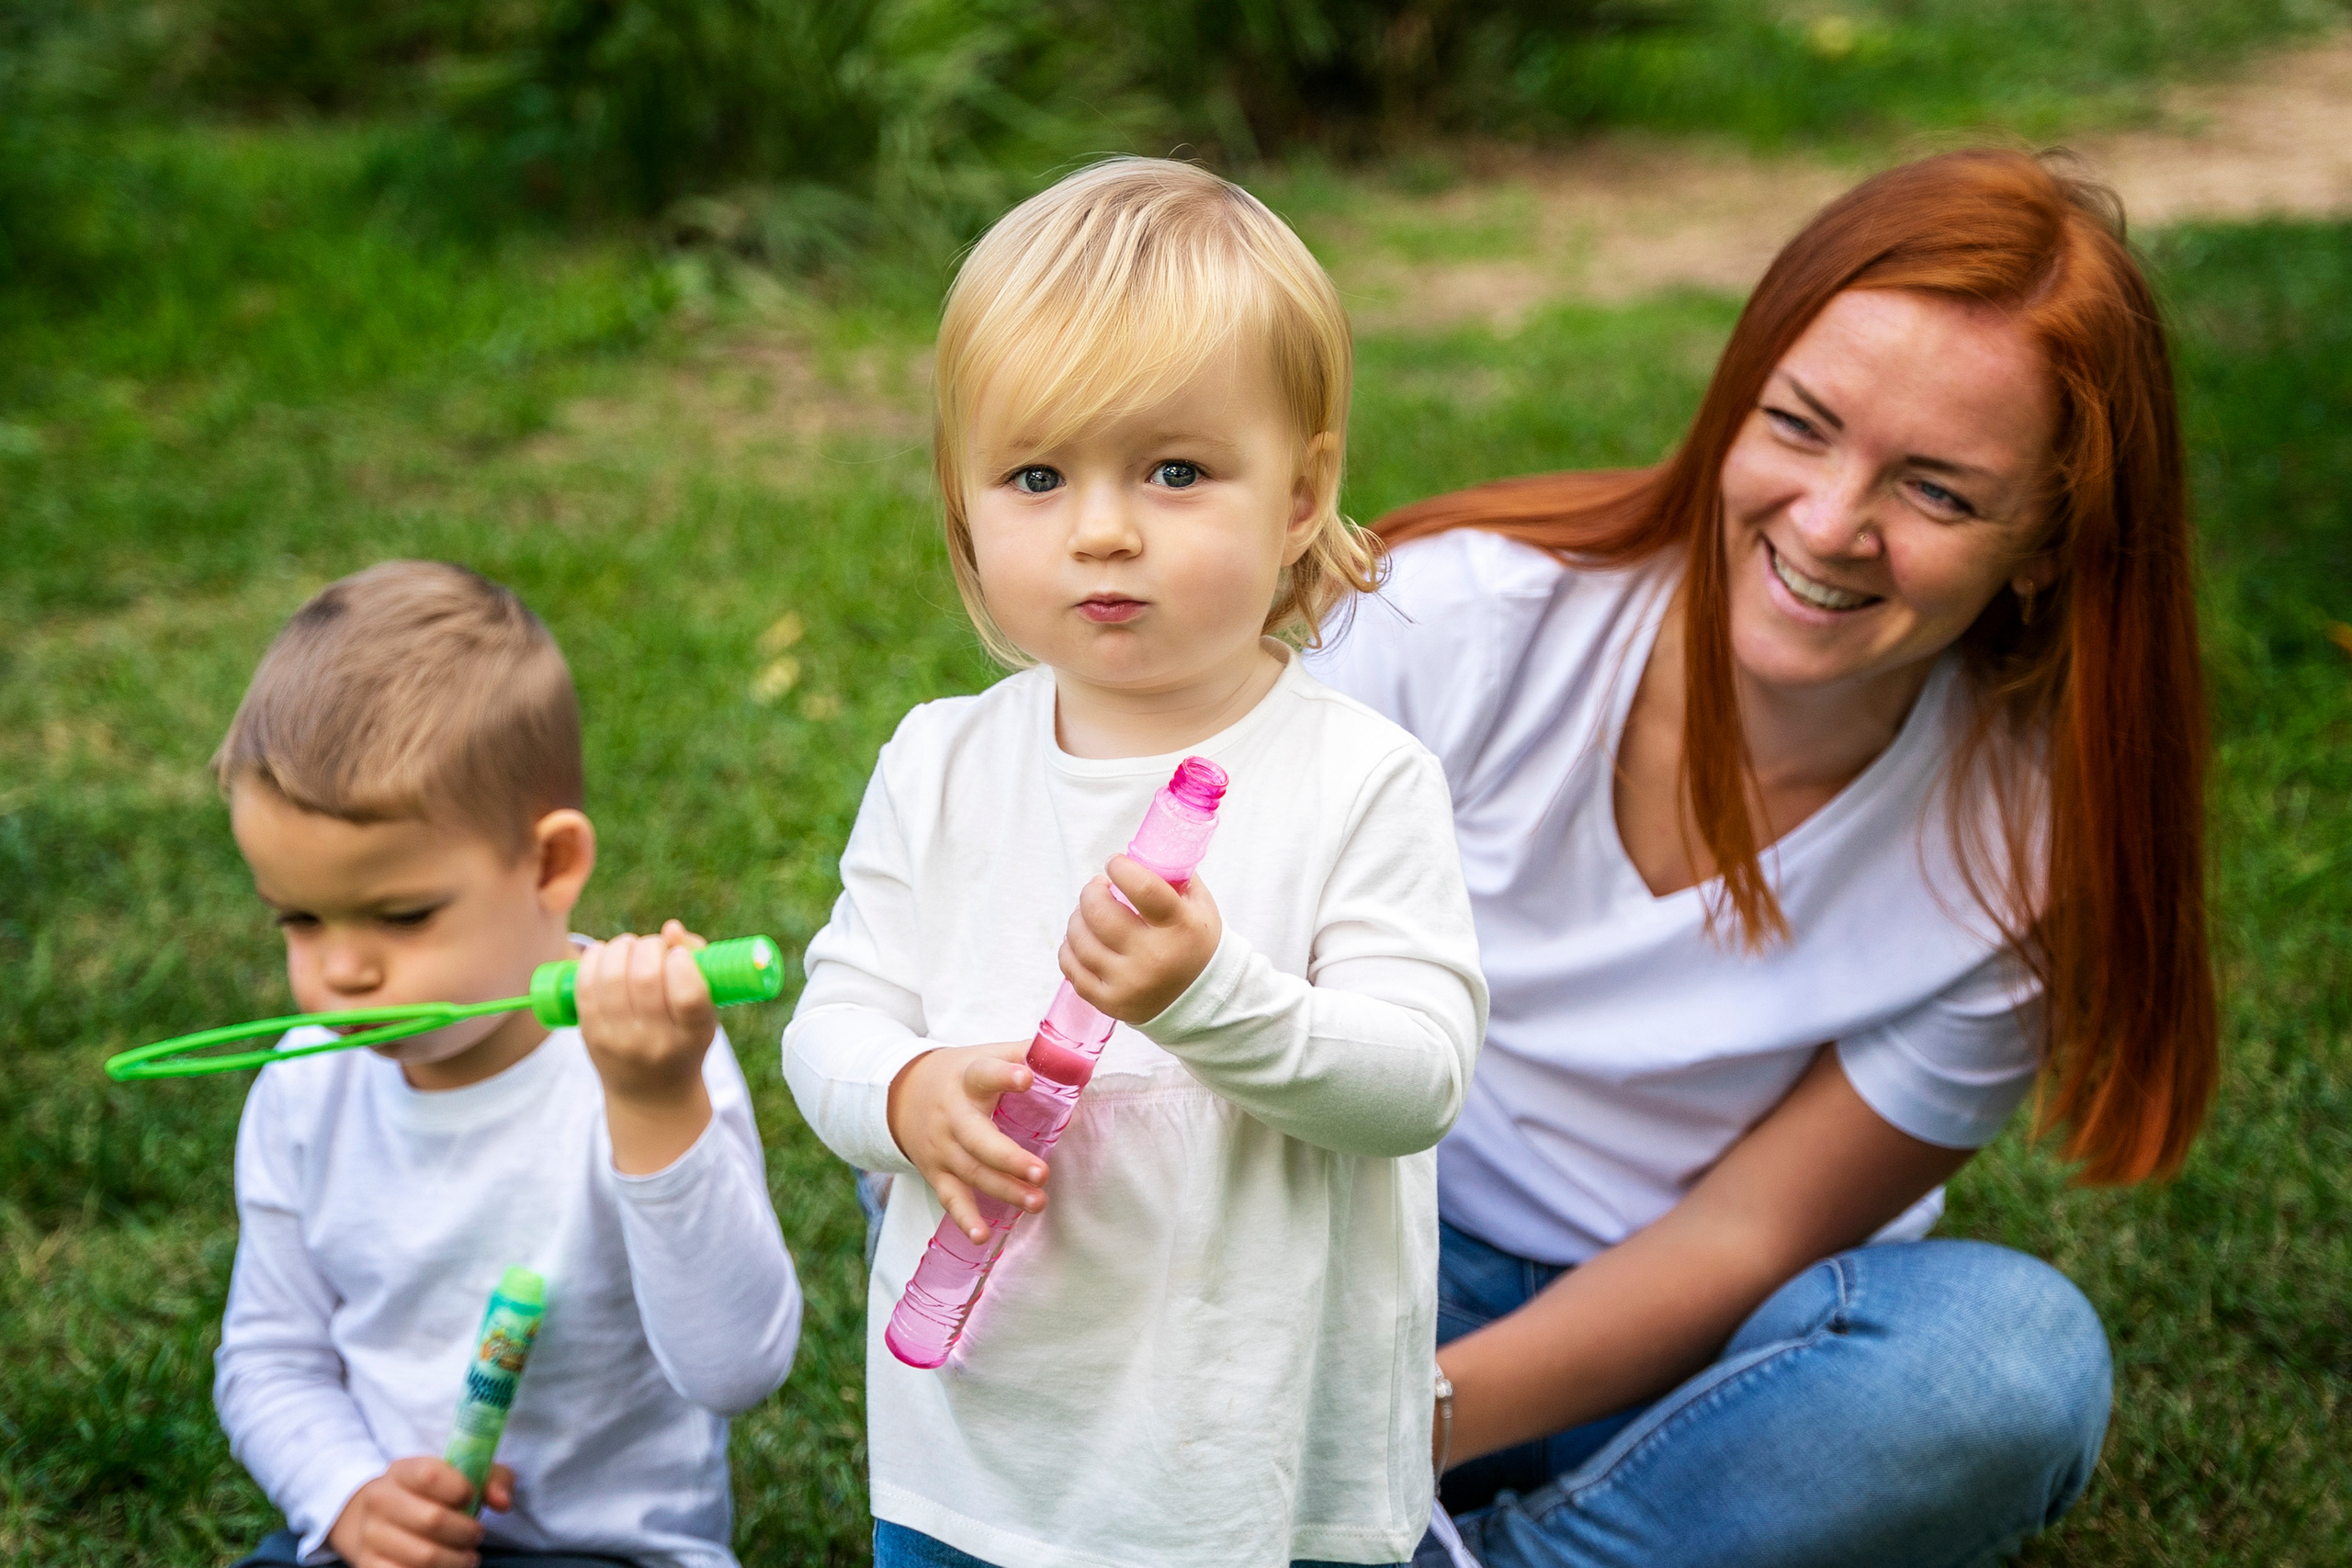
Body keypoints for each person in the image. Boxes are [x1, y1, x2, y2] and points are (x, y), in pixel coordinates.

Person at [1306, 149, 2217, 1568]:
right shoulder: (1462, 623)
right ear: (1737, 402)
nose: (1830, 523)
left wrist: (1392, 1427)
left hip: (1709, 1366)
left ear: (2043, 542)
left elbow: (1746, 1237)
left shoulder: (2029, 848)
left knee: (2009, 1364)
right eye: (1800, 425)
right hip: (1349, 1258)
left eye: (1939, 491)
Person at [783, 158, 1488, 1568]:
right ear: (965, 508)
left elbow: (1416, 1080)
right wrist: (907, 1090)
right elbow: (832, 1021)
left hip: (1259, 1470)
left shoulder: (1358, 780)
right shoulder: (939, 762)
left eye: (1175, 469)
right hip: (979, 1451)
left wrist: (1208, 991)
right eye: (1038, 475)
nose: (1103, 526)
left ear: (1302, 492)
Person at [212, 561, 803, 1568]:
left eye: (402, 917)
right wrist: (347, 1495)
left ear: (550, 865)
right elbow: (271, 1357)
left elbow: (735, 1367)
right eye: (299, 920)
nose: (342, 970)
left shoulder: (646, 1066)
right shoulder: (306, 1083)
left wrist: (657, 1106)